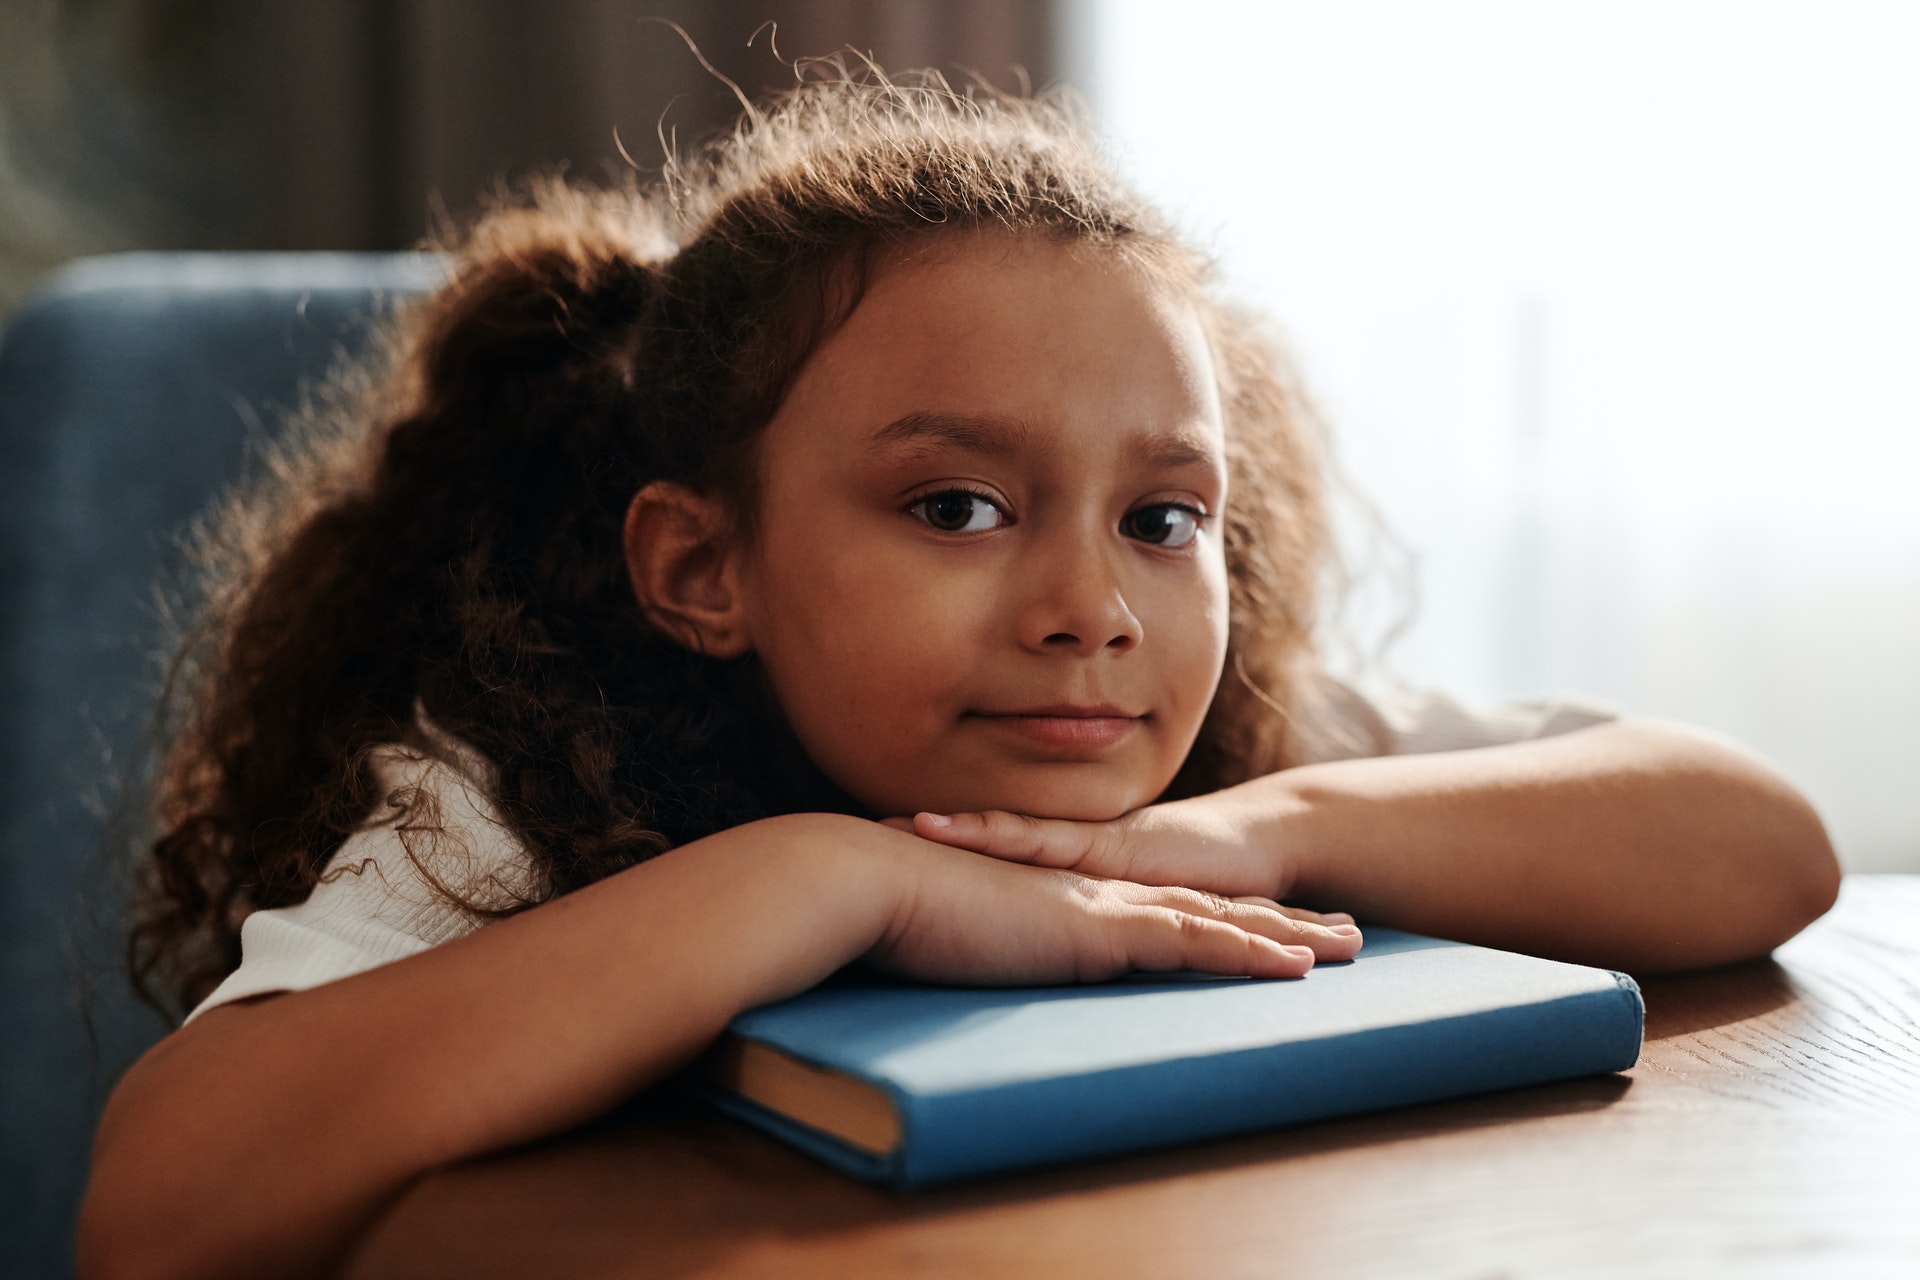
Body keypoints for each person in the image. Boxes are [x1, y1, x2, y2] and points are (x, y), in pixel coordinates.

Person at [76, 70, 1838, 1280]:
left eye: (1165, 516)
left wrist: (1280, 829)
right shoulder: (535, 784)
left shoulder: (1209, 754)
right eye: (959, 504)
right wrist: (835, 878)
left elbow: (1763, 843)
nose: (1093, 606)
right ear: (704, 567)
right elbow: (156, 1213)